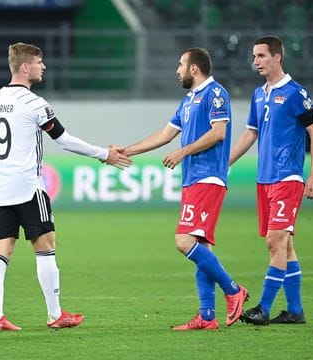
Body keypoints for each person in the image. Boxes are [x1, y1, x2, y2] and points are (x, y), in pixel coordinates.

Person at [0, 42, 131, 331]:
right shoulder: (35, 104)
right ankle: (55, 315)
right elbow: (63, 139)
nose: (44, 67)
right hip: (28, 186)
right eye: (40, 62)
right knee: (46, 246)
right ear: (25, 67)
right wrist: (105, 154)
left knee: (1, 251)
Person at [113, 47, 249, 331]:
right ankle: (207, 316)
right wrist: (129, 150)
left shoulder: (215, 93)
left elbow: (219, 132)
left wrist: (182, 152)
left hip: (207, 177)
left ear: (194, 68)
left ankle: (233, 290)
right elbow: (165, 134)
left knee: (184, 242)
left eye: (180, 65)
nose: (177, 70)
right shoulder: (188, 100)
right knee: (202, 247)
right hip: (192, 179)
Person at [229, 36, 313, 325]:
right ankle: (295, 311)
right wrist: (225, 163)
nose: (255, 61)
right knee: (286, 246)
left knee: (275, 241)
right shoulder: (259, 94)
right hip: (264, 178)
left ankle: (264, 308)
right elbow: (250, 133)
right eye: (254, 56)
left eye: (260, 56)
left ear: (277, 57)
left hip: (288, 177)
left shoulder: (296, 93)